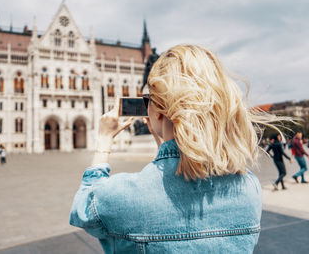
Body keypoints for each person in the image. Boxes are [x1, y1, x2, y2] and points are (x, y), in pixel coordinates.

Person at [69, 45, 287, 253]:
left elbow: (83, 210)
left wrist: (104, 140)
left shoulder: (125, 195)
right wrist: (162, 140)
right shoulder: (249, 187)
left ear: (159, 111)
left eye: (148, 99)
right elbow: (182, 169)